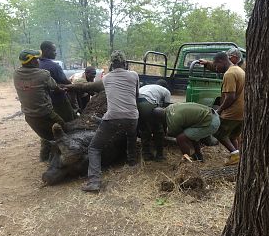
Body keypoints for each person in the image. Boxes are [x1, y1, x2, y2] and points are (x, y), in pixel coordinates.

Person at [82, 50, 139, 192]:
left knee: (94, 148)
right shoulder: (134, 75)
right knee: (131, 136)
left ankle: (94, 182)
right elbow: (137, 95)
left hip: (112, 117)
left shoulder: (106, 78)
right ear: (125, 63)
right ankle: (132, 162)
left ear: (111, 64)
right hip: (133, 117)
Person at [13, 49, 65, 161]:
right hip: (45, 114)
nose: (38, 62)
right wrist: (62, 90)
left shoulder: (16, 74)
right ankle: (57, 159)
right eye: (36, 59)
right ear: (31, 62)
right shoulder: (43, 74)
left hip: (29, 116)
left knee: (44, 134)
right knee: (63, 128)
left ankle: (44, 156)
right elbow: (55, 87)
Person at [152, 102, 220, 162]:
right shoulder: (170, 108)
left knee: (181, 138)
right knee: (189, 133)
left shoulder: (173, 120)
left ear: (160, 119)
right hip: (211, 114)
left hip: (211, 123)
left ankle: (188, 161)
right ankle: (198, 155)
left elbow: (176, 134)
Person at [212, 52, 245, 165]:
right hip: (242, 111)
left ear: (221, 61)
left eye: (216, 66)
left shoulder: (229, 73)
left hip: (233, 111)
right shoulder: (239, 70)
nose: (216, 69)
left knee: (217, 131)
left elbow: (230, 96)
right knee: (232, 136)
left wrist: (219, 110)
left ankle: (235, 154)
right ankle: (239, 157)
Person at [39, 41, 76, 121]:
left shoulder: (37, 64)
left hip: (45, 102)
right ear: (46, 50)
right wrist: (73, 85)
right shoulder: (54, 66)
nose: (55, 53)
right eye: (54, 50)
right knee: (69, 120)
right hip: (58, 100)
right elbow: (65, 81)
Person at [137, 79, 171, 161]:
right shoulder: (166, 91)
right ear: (165, 86)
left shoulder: (146, 87)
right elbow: (165, 110)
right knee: (157, 128)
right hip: (147, 104)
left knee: (144, 130)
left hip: (135, 103)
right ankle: (159, 155)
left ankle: (146, 154)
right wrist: (164, 128)